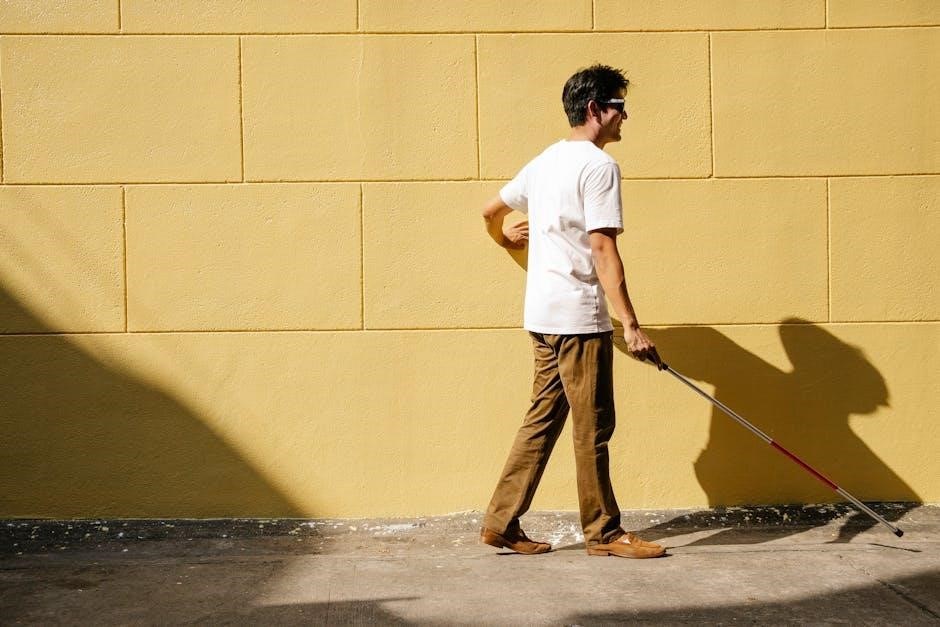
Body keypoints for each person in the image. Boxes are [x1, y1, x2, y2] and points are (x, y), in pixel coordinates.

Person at [479, 64, 666, 559]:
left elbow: (490, 211)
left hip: (542, 317)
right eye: (620, 106)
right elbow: (602, 249)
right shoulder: (599, 167)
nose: (626, 116)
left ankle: (500, 522)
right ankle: (604, 533)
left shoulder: (545, 161)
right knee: (593, 429)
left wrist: (504, 237)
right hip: (579, 320)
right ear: (595, 109)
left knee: (540, 422)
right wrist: (632, 326)